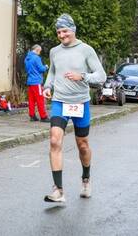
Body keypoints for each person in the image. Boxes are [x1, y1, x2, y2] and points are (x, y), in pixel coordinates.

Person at [43, 14, 106, 203]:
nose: (62, 35)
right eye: (59, 32)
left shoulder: (86, 50)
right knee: (55, 141)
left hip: (80, 103)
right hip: (60, 101)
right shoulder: (54, 51)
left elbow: (101, 75)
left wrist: (83, 76)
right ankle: (58, 190)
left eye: (65, 31)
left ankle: (86, 180)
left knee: (83, 144)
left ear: (73, 30)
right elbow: (53, 71)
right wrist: (48, 86)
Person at [24, 44, 50, 122]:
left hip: (30, 81)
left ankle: (32, 116)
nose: (40, 53)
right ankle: (43, 117)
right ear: (37, 50)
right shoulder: (36, 58)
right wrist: (46, 66)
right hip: (37, 82)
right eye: (40, 51)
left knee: (31, 100)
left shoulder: (26, 58)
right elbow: (41, 69)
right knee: (40, 99)